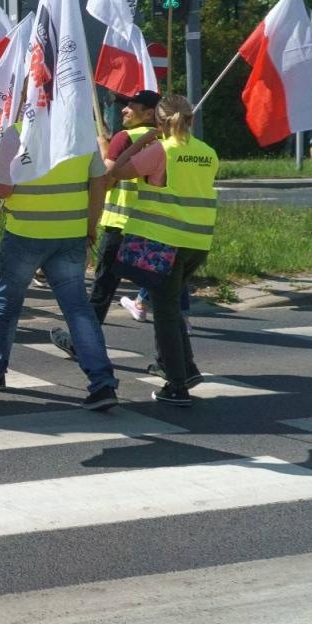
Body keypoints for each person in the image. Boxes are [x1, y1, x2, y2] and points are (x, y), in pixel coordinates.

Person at [0, 122, 120, 412]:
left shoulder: (17, 132)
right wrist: (90, 226)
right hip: (70, 233)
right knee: (78, 309)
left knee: (6, 303)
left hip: (25, 233)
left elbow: (0, 189)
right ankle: (102, 382)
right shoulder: (80, 131)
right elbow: (99, 182)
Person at [103, 93, 219, 406]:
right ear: (191, 120)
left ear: (159, 121)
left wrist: (143, 142)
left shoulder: (160, 150)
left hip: (163, 241)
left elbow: (117, 171)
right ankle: (184, 369)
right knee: (169, 307)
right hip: (196, 242)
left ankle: (177, 385)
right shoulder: (208, 152)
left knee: (165, 314)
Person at [52, 89, 159, 356]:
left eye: (131, 106)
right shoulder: (169, 139)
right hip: (157, 227)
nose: (124, 110)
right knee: (162, 295)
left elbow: (106, 179)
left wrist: (103, 148)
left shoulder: (125, 138)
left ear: (149, 113)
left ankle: (81, 344)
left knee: (102, 289)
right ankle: (175, 362)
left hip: (122, 225)